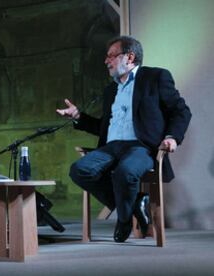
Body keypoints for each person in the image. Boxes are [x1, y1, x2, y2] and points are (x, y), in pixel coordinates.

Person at [56, 36, 191, 243]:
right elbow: (103, 127)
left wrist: (172, 137)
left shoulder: (155, 77)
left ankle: (124, 219)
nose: (106, 61)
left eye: (111, 56)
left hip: (141, 147)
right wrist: (78, 117)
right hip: (111, 148)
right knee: (79, 170)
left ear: (129, 57)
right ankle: (134, 205)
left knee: (125, 172)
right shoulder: (111, 90)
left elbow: (180, 111)